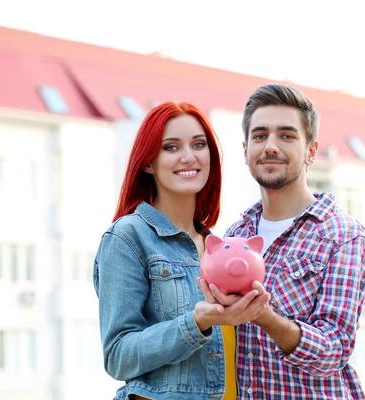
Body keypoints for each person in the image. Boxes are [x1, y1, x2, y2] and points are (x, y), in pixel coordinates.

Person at [198, 84, 365, 399]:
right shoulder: (234, 235)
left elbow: (333, 350)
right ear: (245, 151)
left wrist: (264, 316)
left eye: (286, 135)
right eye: (260, 136)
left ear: (311, 151)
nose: (270, 146)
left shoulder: (344, 236)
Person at [93, 102, 268, 399]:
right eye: (171, 147)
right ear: (148, 163)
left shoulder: (219, 246)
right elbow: (118, 357)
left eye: (198, 144)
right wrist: (197, 323)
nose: (189, 157)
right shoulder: (127, 237)